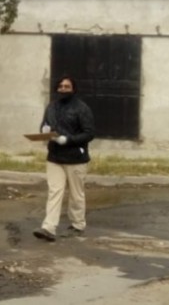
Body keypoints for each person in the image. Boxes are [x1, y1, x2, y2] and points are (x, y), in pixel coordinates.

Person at [33, 75, 95, 242]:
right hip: (54, 157)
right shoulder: (51, 107)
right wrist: (45, 130)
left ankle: (77, 225)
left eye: (67, 86)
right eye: (60, 86)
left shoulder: (82, 108)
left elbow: (89, 133)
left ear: (73, 89)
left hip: (76, 157)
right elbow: (44, 124)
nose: (63, 89)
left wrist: (68, 140)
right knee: (55, 192)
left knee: (76, 194)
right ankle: (48, 228)